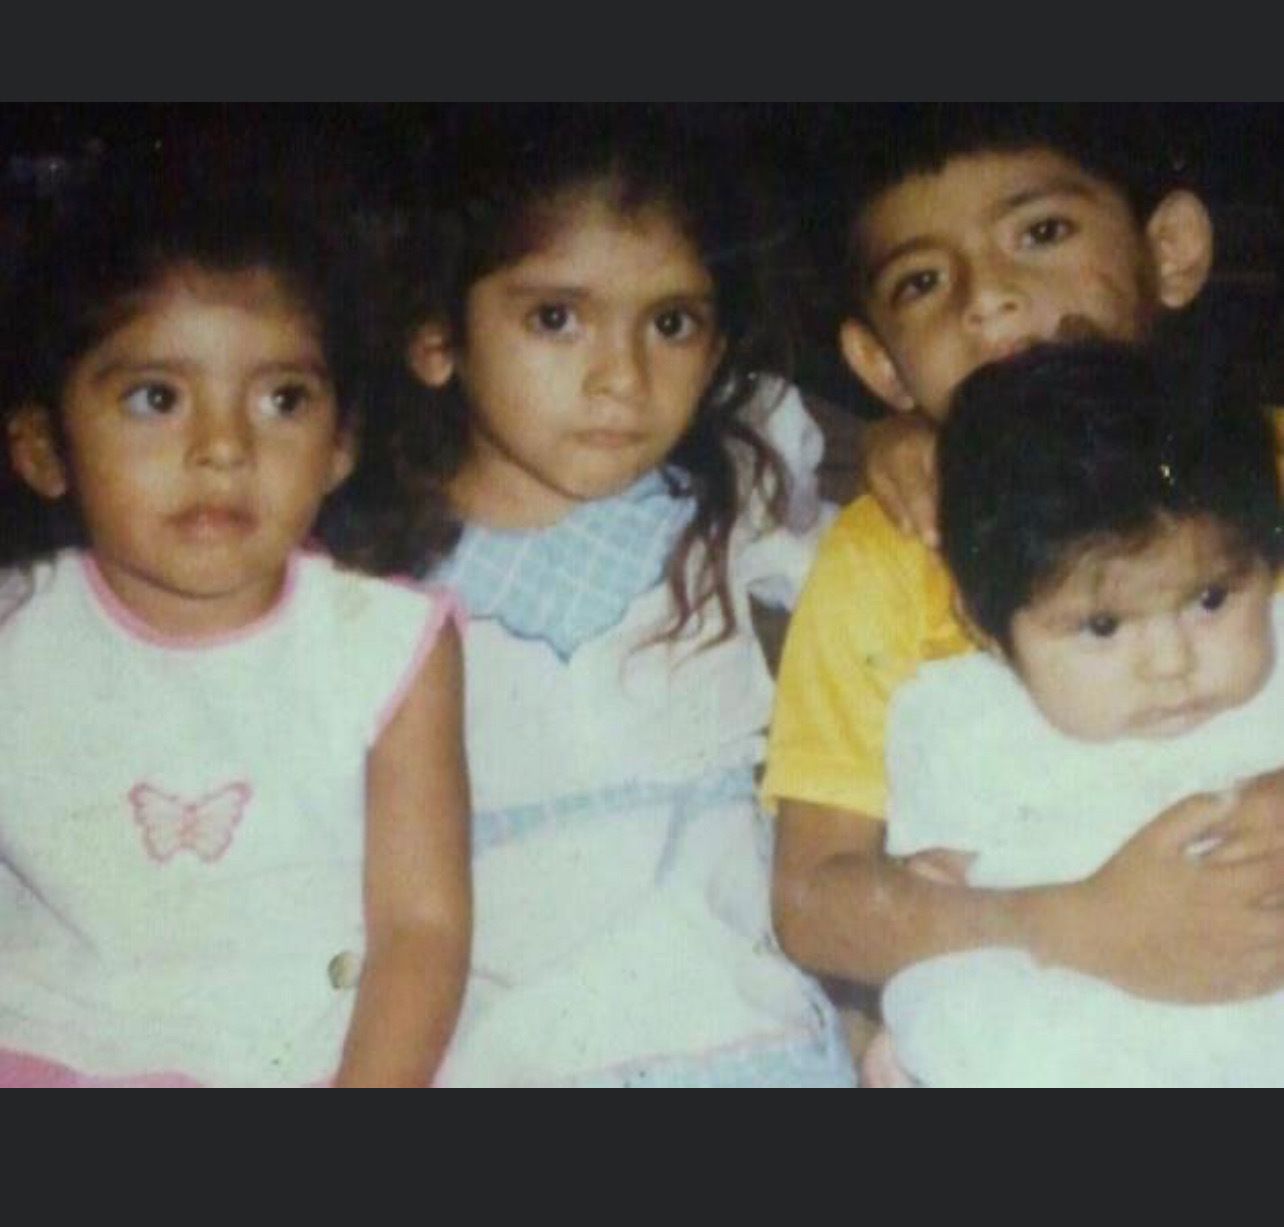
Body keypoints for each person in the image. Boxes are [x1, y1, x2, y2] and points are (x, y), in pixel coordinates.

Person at [765, 104, 1284, 1019]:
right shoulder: (885, 556)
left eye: (1040, 233)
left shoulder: (1266, 466)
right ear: (880, 365)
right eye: (922, 281)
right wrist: (1079, 927)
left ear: (1169, 249)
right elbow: (814, 903)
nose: (987, 297)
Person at [375, 105, 855, 1086]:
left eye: (671, 324)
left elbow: (899, 579)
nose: (621, 379)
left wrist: (914, 453)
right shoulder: (375, 576)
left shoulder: (735, 503)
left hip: (735, 1034)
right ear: (437, 338)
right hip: (498, 1054)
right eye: (556, 318)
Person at [0, 176, 471, 1088]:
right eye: (155, 398)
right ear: (44, 449)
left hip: (290, 1059)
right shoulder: (21, 632)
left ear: (340, 446)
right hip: (42, 1043)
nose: (223, 446)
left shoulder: (382, 646)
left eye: (282, 400)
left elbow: (422, 930)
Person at [882, 342, 1284, 1086]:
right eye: (1103, 628)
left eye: (1210, 600)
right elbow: (939, 902)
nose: (1170, 665)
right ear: (988, 628)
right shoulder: (963, 722)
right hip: (1095, 1036)